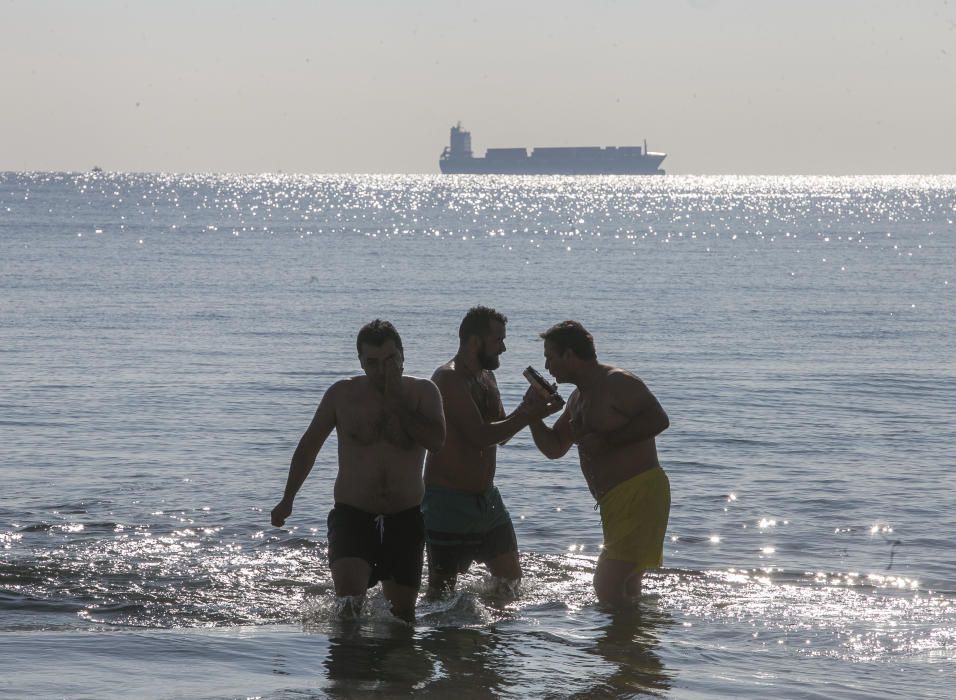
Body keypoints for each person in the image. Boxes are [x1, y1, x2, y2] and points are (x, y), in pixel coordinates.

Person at [270, 320, 446, 622]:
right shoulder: (342, 395)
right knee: (349, 605)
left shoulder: (424, 393)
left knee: (402, 617)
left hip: (404, 517)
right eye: (372, 363)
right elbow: (309, 446)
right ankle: (350, 665)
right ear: (361, 362)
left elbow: (437, 442)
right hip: (353, 513)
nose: (382, 370)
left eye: (390, 360)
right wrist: (288, 499)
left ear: (403, 356)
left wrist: (397, 404)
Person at [526, 321, 670, 606]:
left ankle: (616, 643)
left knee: (607, 582)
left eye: (550, 356)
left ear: (569, 355)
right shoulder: (577, 399)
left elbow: (658, 419)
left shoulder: (617, 381)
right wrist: (531, 415)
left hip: (640, 493)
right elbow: (554, 448)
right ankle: (630, 645)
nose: (546, 365)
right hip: (612, 502)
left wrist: (609, 441)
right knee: (625, 585)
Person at [423, 306, 559, 598]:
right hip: (447, 503)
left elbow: (503, 434)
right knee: (441, 593)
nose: (504, 348)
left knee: (510, 583)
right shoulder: (448, 378)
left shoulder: (487, 377)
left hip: (488, 501)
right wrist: (527, 414)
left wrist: (532, 406)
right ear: (475, 341)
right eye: (498, 340)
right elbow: (479, 436)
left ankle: (496, 640)